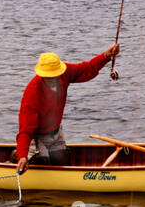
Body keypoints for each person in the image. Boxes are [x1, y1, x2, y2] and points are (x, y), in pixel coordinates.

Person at [15, 43, 119, 173]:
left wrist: (106, 56)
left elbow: (88, 69)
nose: (53, 79)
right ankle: (17, 158)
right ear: (42, 76)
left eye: (55, 75)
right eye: (49, 77)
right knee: (43, 163)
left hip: (55, 132)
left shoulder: (65, 72)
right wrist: (22, 156)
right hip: (36, 137)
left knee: (63, 162)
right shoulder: (32, 93)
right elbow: (25, 130)